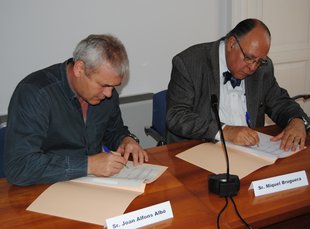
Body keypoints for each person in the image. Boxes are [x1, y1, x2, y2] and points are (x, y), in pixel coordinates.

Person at [4, 34, 148, 186]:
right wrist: (89, 165)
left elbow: (113, 130)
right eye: (104, 85)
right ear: (79, 69)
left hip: (93, 185)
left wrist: (125, 140)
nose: (109, 94)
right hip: (45, 188)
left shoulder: (106, 93)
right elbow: (19, 166)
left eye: (114, 87)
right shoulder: (35, 93)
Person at [166, 18, 310, 151]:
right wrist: (225, 131)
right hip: (201, 150)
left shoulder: (263, 68)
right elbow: (176, 116)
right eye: (249, 58)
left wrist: (296, 120)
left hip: (252, 152)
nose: (253, 67)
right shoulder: (189, 63)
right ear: (232, 43)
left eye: (259, 61)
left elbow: (279, 101)